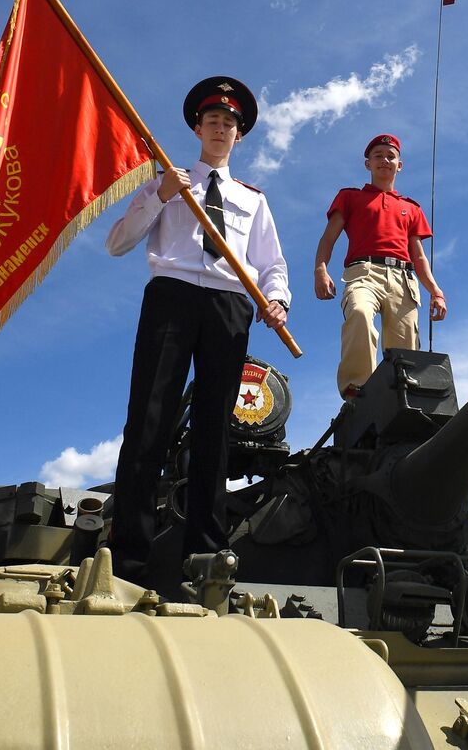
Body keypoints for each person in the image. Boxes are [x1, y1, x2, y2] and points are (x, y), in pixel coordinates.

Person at [104, 76, 291, 581]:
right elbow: (117, 243)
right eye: (213, 120)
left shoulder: (253, 198)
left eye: (230, 123)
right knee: (150, 419)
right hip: (172, 297)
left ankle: (204, 551)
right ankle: (129, 556)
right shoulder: (169, 181)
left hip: (230, 306)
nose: (221, 128)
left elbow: (271, 263)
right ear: (196, 127)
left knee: (216, 429)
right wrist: (160, 196)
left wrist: (277, 301)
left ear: (240, 134)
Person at [314, 133, 446, 398]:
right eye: (378, 156)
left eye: (390, 156)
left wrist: (436, 291)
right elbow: (329, 237)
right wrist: (320, 269)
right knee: (360, 313)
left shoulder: (411, 208)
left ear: (400, 164)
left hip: (403, 278)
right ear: (368, 164)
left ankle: (402, 397)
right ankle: (357, 390)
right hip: (364, 273)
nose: (384, 160)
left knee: (404, 347)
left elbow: (418, 256)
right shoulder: (350, 197)